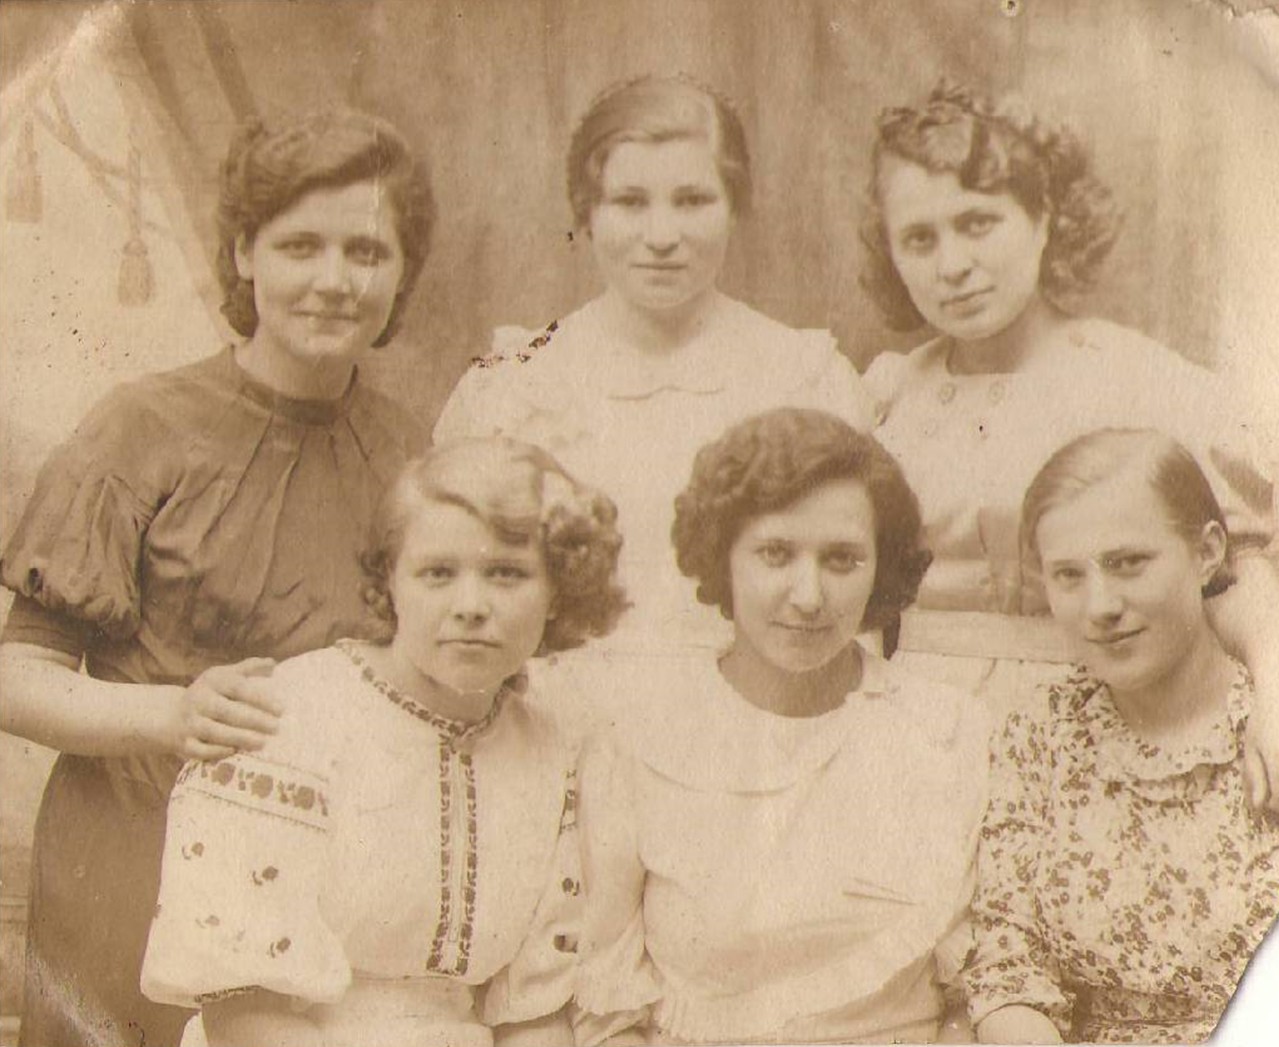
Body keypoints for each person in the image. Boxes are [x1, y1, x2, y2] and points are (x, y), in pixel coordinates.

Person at [0, 107, 433, 1047]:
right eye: (299, 246)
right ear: (243, 253)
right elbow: (16, 677)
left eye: (366, 251)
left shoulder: (414, 458)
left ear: (402, 273)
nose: (333, 280)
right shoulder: (141, 428)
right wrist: (171, 714)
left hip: (315, 884)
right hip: (130, 859)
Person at [859, 79, 1279, 799]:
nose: (951, 265)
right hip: (913, 736)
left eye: (978, 223)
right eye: (919, 239)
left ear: (1043, 216)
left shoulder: (1136, 378)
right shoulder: (887, 395)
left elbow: (1235, 570)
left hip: (1101, 731)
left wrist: (1274, 692)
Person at [141, 440, 628, 1047]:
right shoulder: (284, 720)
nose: (471, 606)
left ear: (558, 590)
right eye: (438, 573)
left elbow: (531, 1016)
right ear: (391, 582)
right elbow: (244, 1013)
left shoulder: (554, 753)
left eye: (506, 574)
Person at [573, 408, 986, 1045]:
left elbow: (973, 996)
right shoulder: (638, 737)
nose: (808, 596)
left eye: (842, 560)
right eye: (775, 553)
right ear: (724, 558)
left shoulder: (948, 730)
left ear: (881, 568)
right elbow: (608, 1010)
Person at [435, 75, 874, 657]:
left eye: (692, 201)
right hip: (557, 699)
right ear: (588, 212)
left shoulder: (806, 379)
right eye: (630, 202)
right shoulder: (512, 385)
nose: (662, 236)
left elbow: (856, 606)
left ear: (733, 208)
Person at [963, 429, 1279, 1044]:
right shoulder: (1042, 729)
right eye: (1068, 575)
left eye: (1128, 563)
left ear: (1207, 553)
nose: (1100, 605)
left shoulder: (1268, 727)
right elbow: (1009, 961)